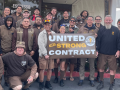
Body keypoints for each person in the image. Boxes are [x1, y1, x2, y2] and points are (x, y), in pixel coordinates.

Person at [96, 15, 120, 90]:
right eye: (106, 20)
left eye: (109, 20)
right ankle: (101, 83)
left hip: (112, 54)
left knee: (112, 69)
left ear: (112, 21)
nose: (108, 21)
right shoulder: (101, 29)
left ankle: (111, 84)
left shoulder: (116, 30)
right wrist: (97, 50)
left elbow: (119, 41)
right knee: (101, 68)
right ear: (104, 21)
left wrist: (118, 50)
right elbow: (98, 41)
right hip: (102, 53)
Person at [77, 16, 98, 87]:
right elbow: (77, 36)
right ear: (86, 21)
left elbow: (99, 40)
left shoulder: (96, 29)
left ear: (93, 21)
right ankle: (81, 78)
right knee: (82, 64)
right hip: (83, 49)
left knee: (92, 66)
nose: (89, 21)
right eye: (88, 20)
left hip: (92, 50)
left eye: (91, 20)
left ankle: (92, 79)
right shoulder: (82, 28)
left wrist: (97, 36)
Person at [38, 19, 55, 90]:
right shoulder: (41, 34)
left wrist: (51, 35)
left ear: (51, 25)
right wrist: (45, 54)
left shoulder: (53, 33)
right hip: (43, 55)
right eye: (46, 25)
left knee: (50, 69)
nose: (47, 26)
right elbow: (41, 45)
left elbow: (57, 42)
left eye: (49, 25)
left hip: (51, 55)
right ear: (44, 26)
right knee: (42, 69)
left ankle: (48, 83)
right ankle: (41, 83)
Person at [64, 16, 79, 81]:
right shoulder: (65, 28)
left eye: (73, 21)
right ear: (69, 21)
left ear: (75, 22)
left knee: (72, 63)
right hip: (66, 48)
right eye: (71, 20)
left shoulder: (77, 29)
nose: (72, 22)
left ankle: (71, 75)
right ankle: (64, 74)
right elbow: (61, 34)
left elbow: (80, 37)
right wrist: (68, 32)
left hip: (74, 48)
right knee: (66, 62)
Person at [94, 15, 103, 82]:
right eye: (97, 19)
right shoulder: (92, 27)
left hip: (100, 47)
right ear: (95, 20)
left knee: (99, 62)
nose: (98, 20)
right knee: (92, 62)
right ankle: (91, 75)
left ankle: (98, 76)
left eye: (99, 19)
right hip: (92, 47)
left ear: (101, 20)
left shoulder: (104, 28)